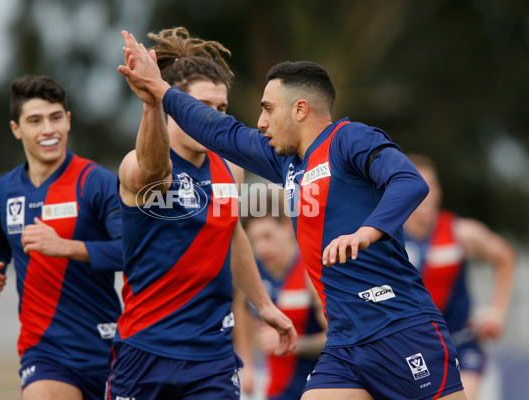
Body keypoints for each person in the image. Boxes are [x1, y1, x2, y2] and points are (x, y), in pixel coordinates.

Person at [119, 33, 468, 400]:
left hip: (399, 325)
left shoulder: (350, 139)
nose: (261, 121)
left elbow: (408, 182)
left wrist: (365, 233)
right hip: (345, 342)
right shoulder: (285, 162)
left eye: (268, 109)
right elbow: (221, 132)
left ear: (299, 110)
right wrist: (158, 88)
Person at [109, 28, 297, 400]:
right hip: (145, 349)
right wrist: (151, 103)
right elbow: (153, 171)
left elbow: (231, 234)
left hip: (212, 355)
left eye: (221, 109)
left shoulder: (231, 168)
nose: (210, 117)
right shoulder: (136, 165)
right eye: (201, 105)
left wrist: (263, 304)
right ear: (174, 104)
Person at [0, 75, 123, 400]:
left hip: (107, 347)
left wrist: (66, 247)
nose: (48, 129)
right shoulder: (2, 192)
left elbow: (132, 251)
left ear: (68, 121)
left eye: (56, 117)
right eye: (35, 120)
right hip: (44, 351)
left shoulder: (96, 181)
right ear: (16, 129)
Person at [403, 154, 516, 400]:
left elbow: (505, 256)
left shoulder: (460, 231)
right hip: (411, 348)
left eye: (431, 185)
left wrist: (498, 311)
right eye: (417, 184)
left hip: (459, 343)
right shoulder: (386, 239)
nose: (426, 193)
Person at [234, 192, 327, 400]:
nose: (261, 248)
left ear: (286, 227)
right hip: (275, 390)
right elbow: (242, 307)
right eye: (254, 241)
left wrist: (294, 343)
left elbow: (338, 338)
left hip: (316, 388)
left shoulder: (309, 272)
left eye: (267, 236)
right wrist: (246, 363)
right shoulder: (253, 272)